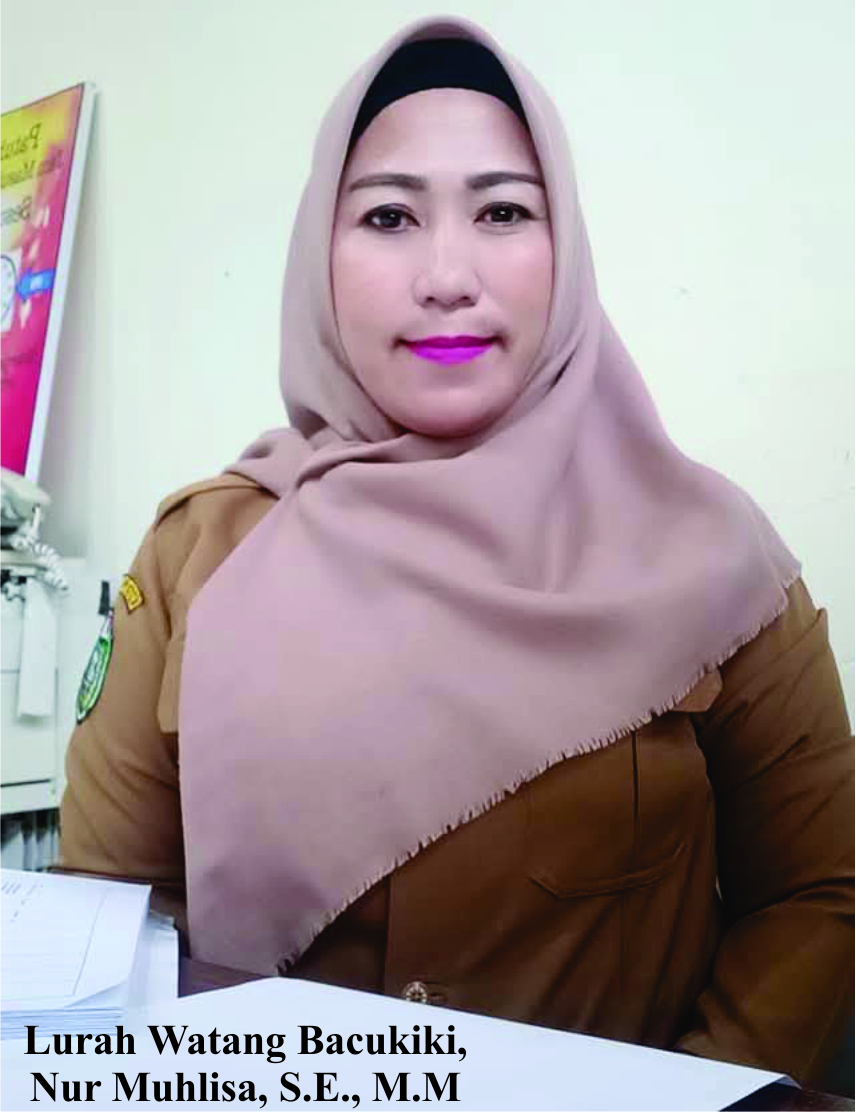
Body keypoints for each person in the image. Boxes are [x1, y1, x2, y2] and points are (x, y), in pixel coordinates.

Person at [59, 16, 853, 1089]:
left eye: (503, 211)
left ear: (566, 249)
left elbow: (818, 890)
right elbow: (105, 924)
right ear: (318, 256)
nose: (445, 275)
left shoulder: (714, 556)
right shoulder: (197, 557)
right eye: (388, 215)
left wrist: (695, 1095)